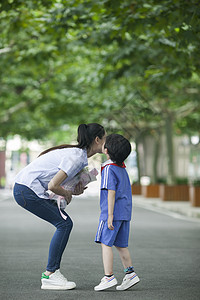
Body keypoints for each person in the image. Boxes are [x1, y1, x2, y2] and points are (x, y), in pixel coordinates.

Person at [13, 123, 106, 290]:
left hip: (25, 189)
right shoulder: (77, 157)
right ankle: (50, 274)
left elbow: (56, 185)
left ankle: (51, 273)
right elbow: (52, 185)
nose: (106, 141)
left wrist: (71, 191)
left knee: (64, 223)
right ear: (97, 140)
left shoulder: (77, 155)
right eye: (105, 138)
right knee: (64, 224)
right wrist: (67, 193)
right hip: (26, 190)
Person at [94, 133, 140, 291]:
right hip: (125, 213)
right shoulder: (122, 168)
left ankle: (108, 277)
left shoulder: (108, 168)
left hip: (111, 213)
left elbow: (111, 191)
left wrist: (109, 216)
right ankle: (130, 274)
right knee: (121, 245)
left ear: (106, 150)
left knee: (105, 244)